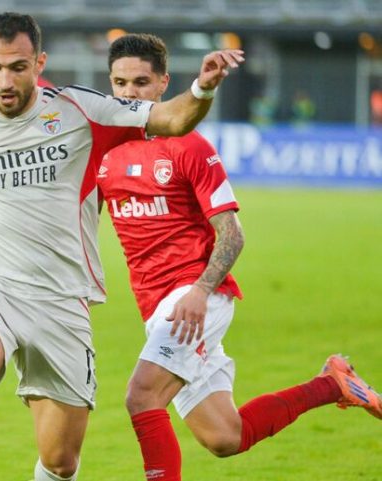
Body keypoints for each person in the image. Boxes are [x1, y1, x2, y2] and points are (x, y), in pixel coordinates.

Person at [0, 13, 244, 481]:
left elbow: (172, 116)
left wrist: (202, 88)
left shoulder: (82, 110)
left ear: (39, 63)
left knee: (61, 462)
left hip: (63, 301)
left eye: (18, 67)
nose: (6, 79)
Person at [98, 33, 381, 481]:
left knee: (141, 397)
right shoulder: (105, 148)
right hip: (154, 307)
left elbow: (232, 233)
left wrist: (201, 290)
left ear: (163, 83)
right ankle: (333, 383)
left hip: (195, 299)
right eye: (120, 83)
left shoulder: (189, 146)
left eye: (140, 82)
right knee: (224, 436)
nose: (130, 93)